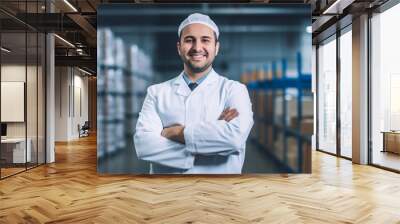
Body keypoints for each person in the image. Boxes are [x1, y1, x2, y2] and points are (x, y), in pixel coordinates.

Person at [134, 13, 254, 174]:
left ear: (216, 48)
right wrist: (211, 140)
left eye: (205, 40)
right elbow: (144, 145)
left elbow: (234, 138)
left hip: (219, 193)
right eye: (189, 40)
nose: (197, 48)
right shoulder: (156, 92)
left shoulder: (235, 90)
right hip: (167, 194)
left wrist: (174, 132)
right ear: (179, 47)